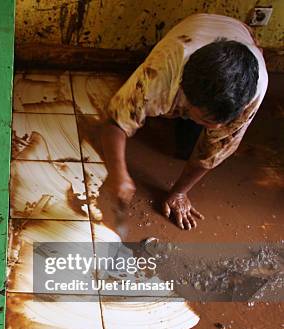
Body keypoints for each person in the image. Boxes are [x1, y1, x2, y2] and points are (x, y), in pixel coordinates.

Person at [100, 13, 268, 230]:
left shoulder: (254, 92)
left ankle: (205, 118)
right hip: (192, 31)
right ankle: (182, 116)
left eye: (221, 121)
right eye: (207, 118)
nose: (216, 128)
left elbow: (213, 151)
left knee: (194, 147)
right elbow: (116, 121)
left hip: (240, 37)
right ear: (184, 93)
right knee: (174, 134)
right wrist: (118, 173)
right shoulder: (162, 70)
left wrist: (179, 192)